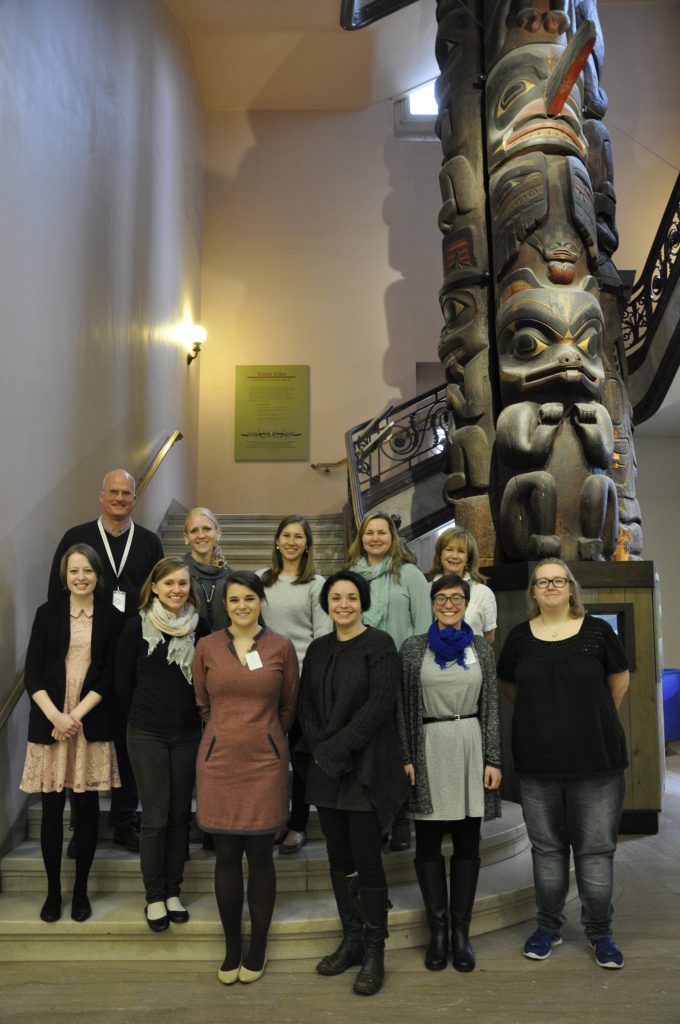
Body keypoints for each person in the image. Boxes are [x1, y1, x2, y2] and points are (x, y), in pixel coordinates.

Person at [497, 559, 629, 970]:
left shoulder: (598, 632)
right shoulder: (519, 638)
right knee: (548, 853)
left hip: (597, 762)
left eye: (558, 580)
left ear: (571, 587)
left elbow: (618, 683)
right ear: (533, 592)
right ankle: (549, 928)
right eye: (542, 581)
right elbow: (509, 685)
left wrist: (585, 720)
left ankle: (600, 934)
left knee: (595, 852)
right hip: (538, 765)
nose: (551, 586)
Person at [298, 570, 409, 996]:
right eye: (336, 598)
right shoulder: (318, 649)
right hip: (327, 770)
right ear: (326, 604)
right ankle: (353, 940)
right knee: (338, 857)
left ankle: (376, 951)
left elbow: (379, 705)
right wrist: (324, 749)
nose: (343, 604)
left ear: (362, 602)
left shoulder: (379, 645)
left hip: (366, 768)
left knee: (367, 859)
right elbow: (306, 707)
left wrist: (336, 749)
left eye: (351, 598)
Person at [48, 468, 164, 853]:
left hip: (134, 654)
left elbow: (161, 597)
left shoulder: (148, 542)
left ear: (135, 498)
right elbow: (55, 597)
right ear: (101, 496)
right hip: (85, 655)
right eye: (112, 492)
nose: (119, 498)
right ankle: (81, 822)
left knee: (127, 737)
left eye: (126, 493)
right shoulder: (76, 538)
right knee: (84, 733)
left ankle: (124, 817)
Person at [192, 571, 299, 985]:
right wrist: (225, 734)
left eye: (249, 599)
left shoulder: (281, 648)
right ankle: (232, 946)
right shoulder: (206, 648)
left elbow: (289, 706)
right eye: (234, 600)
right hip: (219, 765)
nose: (241, 606)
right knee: (225, 857)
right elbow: (202, 704)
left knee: (260, 857)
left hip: (264, 765)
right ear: (224, 605)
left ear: (260, 602)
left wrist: (266, 737)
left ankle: (257, 946)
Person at [398, 574, 502, 972]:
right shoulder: (413, 649)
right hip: (428, 746)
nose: (448, 604)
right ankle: (437, 933)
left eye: (455, 598)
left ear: (466, 601)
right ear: (432, 602)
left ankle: (461, 933)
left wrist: (494, 760)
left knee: (467, 843)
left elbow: (492, 706)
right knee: (427, 844)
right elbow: (402, 708)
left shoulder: (481, 649)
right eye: (440, 598)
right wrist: (406, 755)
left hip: (471, 744)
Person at [20, 544, 122, 923]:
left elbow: (110, 676)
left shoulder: (112, 617)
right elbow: (32, 672)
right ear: (65, 576)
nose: (81, 577)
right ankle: (53, 893)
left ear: (98, 575)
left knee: (86, 809)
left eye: (88, 571)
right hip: (50, 720)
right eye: (74, 571)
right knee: (50, 811)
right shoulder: (46, 614)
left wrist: (75, 715)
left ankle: (80, 891)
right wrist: (56, 716)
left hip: (89, 718)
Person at [115, 556, 209, 932]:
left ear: (191, 588)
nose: (176, 590)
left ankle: (174, 891)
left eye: (182, 583)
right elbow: (122, 684)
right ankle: (154, 896)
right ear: (154, 586)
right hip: (146, 732)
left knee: (179, 816)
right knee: (154, 818)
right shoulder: (134, 627)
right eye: (168, 583)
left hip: (187, 733)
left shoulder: (201, 627)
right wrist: (146, 714)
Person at [347, 510, 431, 851]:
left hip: (401, 672)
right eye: (370, 532)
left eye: (382, 532)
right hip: (362, 676)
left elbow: (423, 626)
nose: (376, 538)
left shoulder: (409, 574)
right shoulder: (352, 576)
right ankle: (374, 818)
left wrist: (413, 669)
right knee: (369, 751)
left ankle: (399, 819)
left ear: (392, 538)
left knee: (399, 750)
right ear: (361, 537)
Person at [257, 514, 331, 855]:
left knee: (300, 761)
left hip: (303, 685)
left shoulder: (317, 584)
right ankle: (271, 819)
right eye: (285, 535)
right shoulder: (261, 581)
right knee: (270, 759)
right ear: (276, 540)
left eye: (298, 536)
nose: (291, 541)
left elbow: (323, 640)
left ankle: (298, 824)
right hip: (266, 685)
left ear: (307, 544)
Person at [428, 527, 497, 642]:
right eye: (449, 549)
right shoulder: (426, 589)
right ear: (440, 554)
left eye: (461, 551)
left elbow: (489, 637)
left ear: (468, 558)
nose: (454, 556)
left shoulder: (484, 593)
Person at [183, 507, 233, 632]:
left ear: (218, 533)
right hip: (188, 647)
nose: (201, 535)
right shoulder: (178, 573)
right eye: (194, 531)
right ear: (186, 537)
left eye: (207, 529)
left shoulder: (231, 575)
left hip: (226, 647)